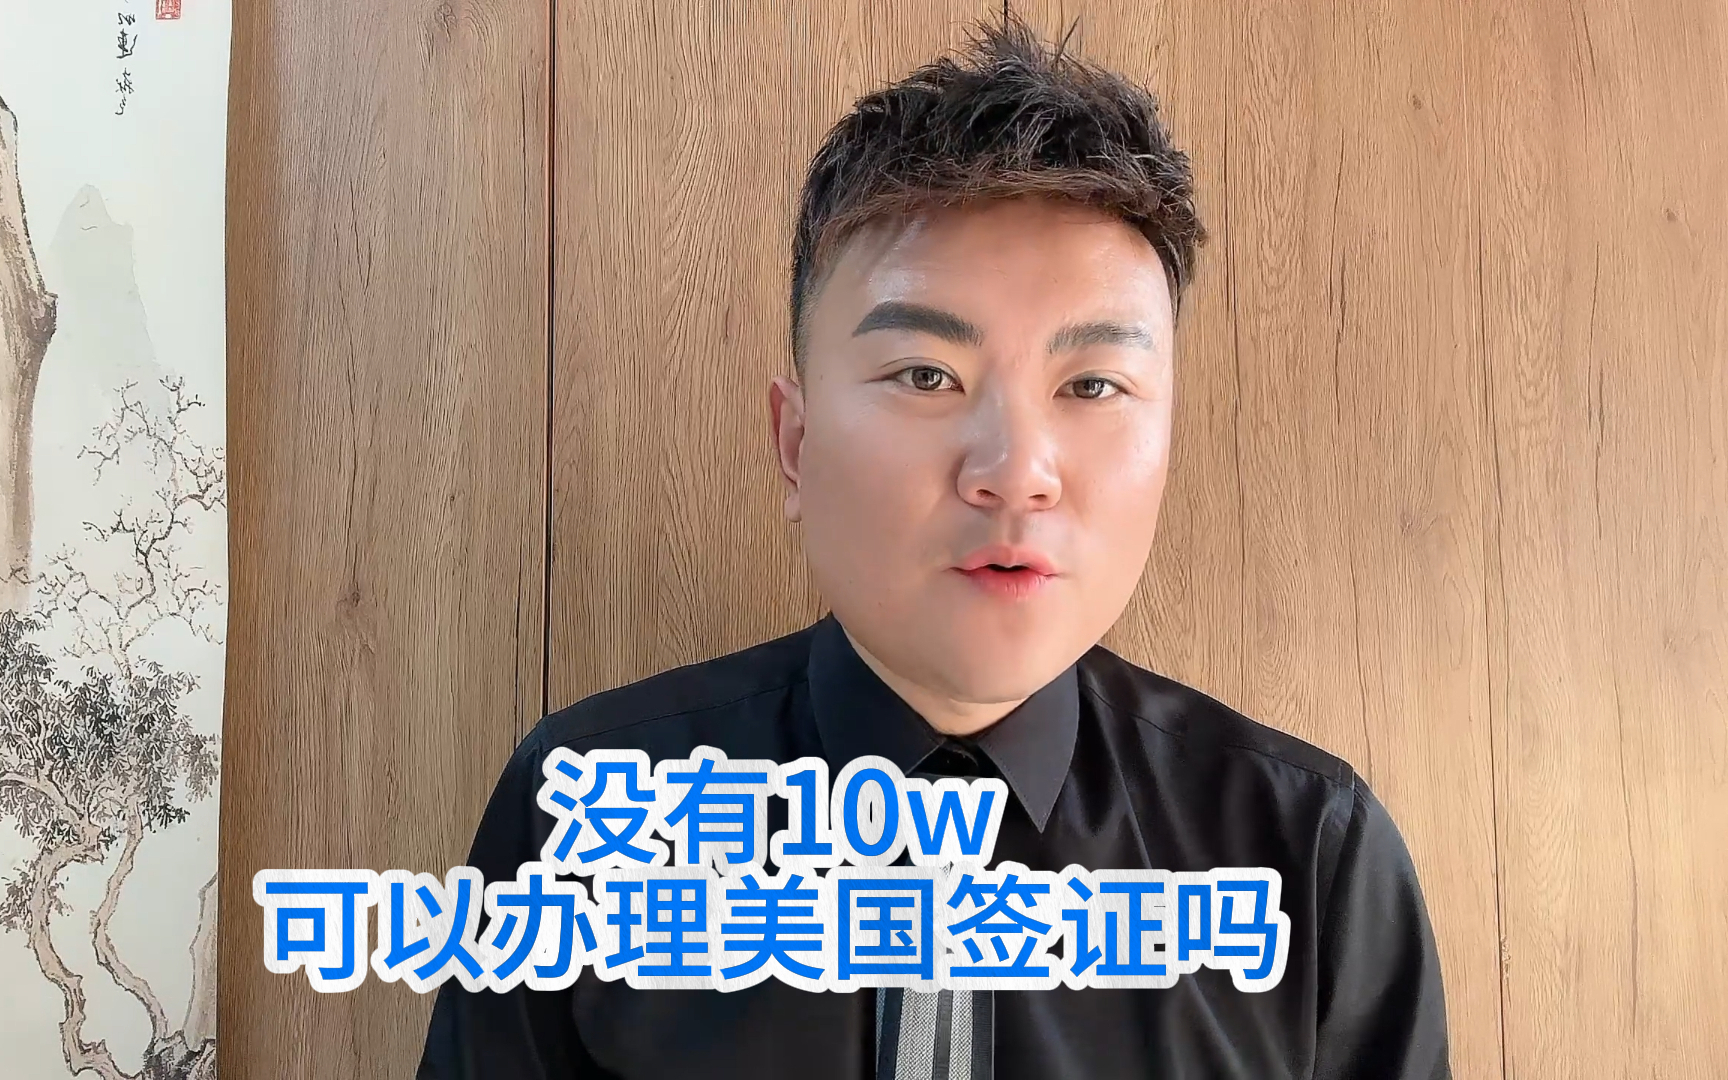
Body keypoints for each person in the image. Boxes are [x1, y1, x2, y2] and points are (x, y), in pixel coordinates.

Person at [418, 12, 1451, 1079]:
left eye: (1093, 384)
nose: (1015, 469)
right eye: (925, 375)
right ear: (795, 446)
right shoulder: (583, 820)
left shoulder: (1308, 862)